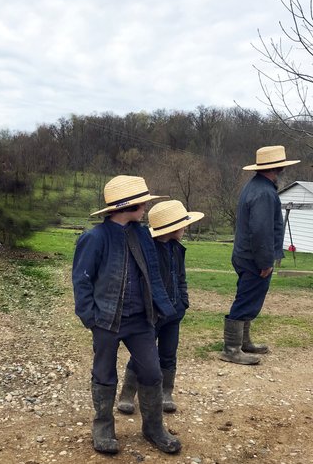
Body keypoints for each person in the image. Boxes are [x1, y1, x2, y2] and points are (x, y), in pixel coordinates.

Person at [72, 175, 182, 455]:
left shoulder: (142, 234)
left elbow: (154, 273)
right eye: (142, 203)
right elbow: (82, 280)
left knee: (152, 371)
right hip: (106, 320)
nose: (146, 206)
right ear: (127, 206)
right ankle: (103, 429)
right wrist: (90, 318)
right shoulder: (94, 237)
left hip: (140, 320)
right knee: (104, 374)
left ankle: (153, 428)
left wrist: (160, 309)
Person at [117, 200, 204, 415]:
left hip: (174, 313)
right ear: (173, 227)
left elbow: (181, 278)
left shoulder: (177, 249)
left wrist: (183, 301)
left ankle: (166, 392)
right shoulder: (149, 251)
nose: (185, 228)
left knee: (168, 353)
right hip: (152, 314)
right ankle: (128, 393)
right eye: (183, 224)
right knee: (142, 354)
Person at [220, 145, 300, 365]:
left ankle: (243, 342)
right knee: (246, 299)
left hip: (246, 254)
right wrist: (266, 261)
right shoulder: (264, 192)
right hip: (254, 258)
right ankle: (232, 348)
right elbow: (261, 231)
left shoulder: (255, 187)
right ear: (279, 168)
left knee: (249, 296)